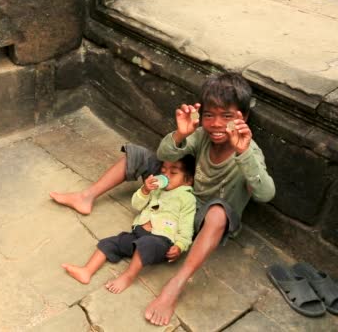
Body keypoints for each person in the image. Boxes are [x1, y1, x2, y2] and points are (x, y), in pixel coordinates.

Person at [50, 72, 275, 326]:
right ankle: (86, 196)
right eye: (209, 115)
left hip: (204, 217)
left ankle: (175, 285)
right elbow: (164, 153)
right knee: (142, 156)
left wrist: (244, 153)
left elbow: (265, 194)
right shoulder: (202, 135)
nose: (216, 124)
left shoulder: (249, 151)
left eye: (227, 116)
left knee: (218, 212)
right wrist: (180, 135)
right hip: (181, 190)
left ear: (242, 118)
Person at [62, 155, 197, 295]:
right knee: (111, 242)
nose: (166, 176)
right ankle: (87, 270)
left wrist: (180, 246)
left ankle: (128, 276)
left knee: (146, 243)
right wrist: (145, 191)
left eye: (173, 173)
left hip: (161, 241)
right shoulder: (155, 189)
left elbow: (187, 226)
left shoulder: (187, 198)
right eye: (163, 171)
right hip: (137, 234)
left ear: (188, 181)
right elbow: (136, 205)